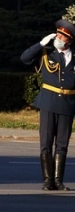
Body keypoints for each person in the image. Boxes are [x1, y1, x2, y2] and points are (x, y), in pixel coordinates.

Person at [21, 19, 75, 191]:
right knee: (46, 143)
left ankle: (58, 181)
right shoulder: (46, 53)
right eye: (58, 34)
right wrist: (39, 44)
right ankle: (47, 180)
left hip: (67, 105)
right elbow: (24, 58)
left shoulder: (74, 57)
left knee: (62, 145)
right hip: (48, 102)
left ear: (70, 40)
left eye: (63, 36)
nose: (59, 37)